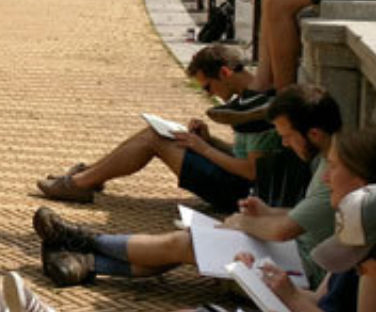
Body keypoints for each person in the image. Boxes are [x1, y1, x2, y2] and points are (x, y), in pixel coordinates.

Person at [0, 129, 376, 312]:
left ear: (362, 182)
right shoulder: (356, 232)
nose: (324, 176)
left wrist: (296, 304)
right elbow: (324, 299)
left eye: (333, 167)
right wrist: (277, 289)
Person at [33, 85, 341, 287]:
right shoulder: (326, 158)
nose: (285, 143)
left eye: (288, 136)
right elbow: (308, 216)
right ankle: (84, 262)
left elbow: (283, 230)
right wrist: (269, 211)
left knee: (186, 244)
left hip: (301, 272)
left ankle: (82, 240)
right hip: (294, 253)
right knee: (192, 245)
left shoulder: (335, 170)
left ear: (313, 133)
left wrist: (246, 222)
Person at [36, 45, 292, 215]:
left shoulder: (254, 111)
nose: (210, 94)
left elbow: (252, 170)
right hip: (238, 184)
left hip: (239, 195)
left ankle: (81, 182)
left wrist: (203, 148)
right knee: (156, 132)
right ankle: (90, 175)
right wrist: (209, 141)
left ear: (224, 73)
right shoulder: (249, 100)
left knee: (154, 138)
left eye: (208, 87)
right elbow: (246, 156)